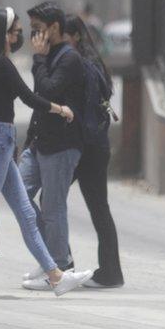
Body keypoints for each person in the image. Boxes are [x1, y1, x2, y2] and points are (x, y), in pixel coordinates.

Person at [0, 8, 92, 296]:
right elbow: (29, 96)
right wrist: (60, 109)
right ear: (5, 34)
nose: (21, 36)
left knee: (26, 214)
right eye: (17, 31)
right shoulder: (2, 64)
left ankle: (56, 276)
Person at [18, 2, 88, 289]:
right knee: (20, 196)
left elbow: (47, 92)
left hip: (62, 145)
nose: (34, 36)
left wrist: (37, 60)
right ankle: (51, 259)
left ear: (55, 28)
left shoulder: (68, 58)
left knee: (53, 208)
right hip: (39, 143)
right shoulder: (49, 55)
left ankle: (58, 268)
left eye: (38, 29)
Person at [64, 15, 124, 289]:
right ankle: (108, 271)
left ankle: (64, 266)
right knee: (97, 209)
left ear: (75, 36)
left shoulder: (83, 64)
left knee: (52, 203)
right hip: (94, 145)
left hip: (88, 147)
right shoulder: (91, 60)